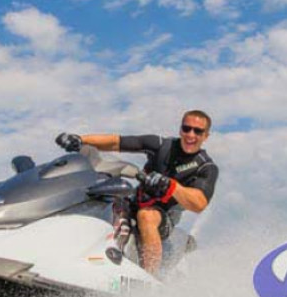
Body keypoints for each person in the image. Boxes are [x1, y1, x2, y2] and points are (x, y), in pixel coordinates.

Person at [55, 110, 218, 275]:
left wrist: (171, 186)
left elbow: (199, 203)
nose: (191, 135)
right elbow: (116, 142)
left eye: (198, 131)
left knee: (146, 215)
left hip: (164, 217)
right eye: (186, 128)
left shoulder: (206, 167)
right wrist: (81, 140)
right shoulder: (162, 145)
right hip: (135, 201)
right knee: (100, 195)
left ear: (206, 136)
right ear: (181, 129)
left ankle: (149, 278)